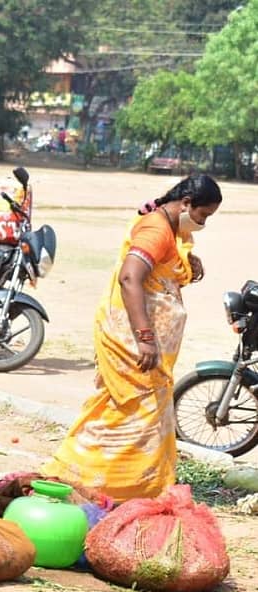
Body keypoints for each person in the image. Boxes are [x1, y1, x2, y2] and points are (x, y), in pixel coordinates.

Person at [42, 174, 223, 502]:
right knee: (126, 414)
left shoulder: (169, 228)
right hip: (132, 344)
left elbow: (158, 276)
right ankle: (85, 478)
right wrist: (145, 337)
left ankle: (132, 488)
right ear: (185, 204)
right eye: (203, 215)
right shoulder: (156, 229)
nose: (202, 223)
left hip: (144, 347)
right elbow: (130, 278)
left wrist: (187, 264)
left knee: (137, 414)